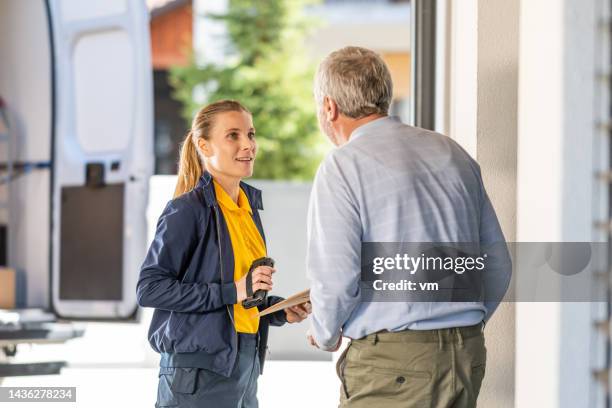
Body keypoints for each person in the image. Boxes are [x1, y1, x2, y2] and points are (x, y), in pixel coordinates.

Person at [305, 46, 512, 407]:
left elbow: (337, 278)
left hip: (393, 366)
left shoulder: (343, 166)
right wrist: (461, 324)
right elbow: (497, 264)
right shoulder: (453, 153)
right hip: (465, 355)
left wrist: (324, 332)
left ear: (329, 107)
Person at [137, 100, 311, 408]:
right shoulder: (186, 210)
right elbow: (150, 289)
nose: (248, 145)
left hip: (243, 368)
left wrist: (279, 310)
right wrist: (235, 289)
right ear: (204, 145)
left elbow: (240, 300)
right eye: (233, 135)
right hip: (198, 375)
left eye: (251, 134)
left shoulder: (248, 209)